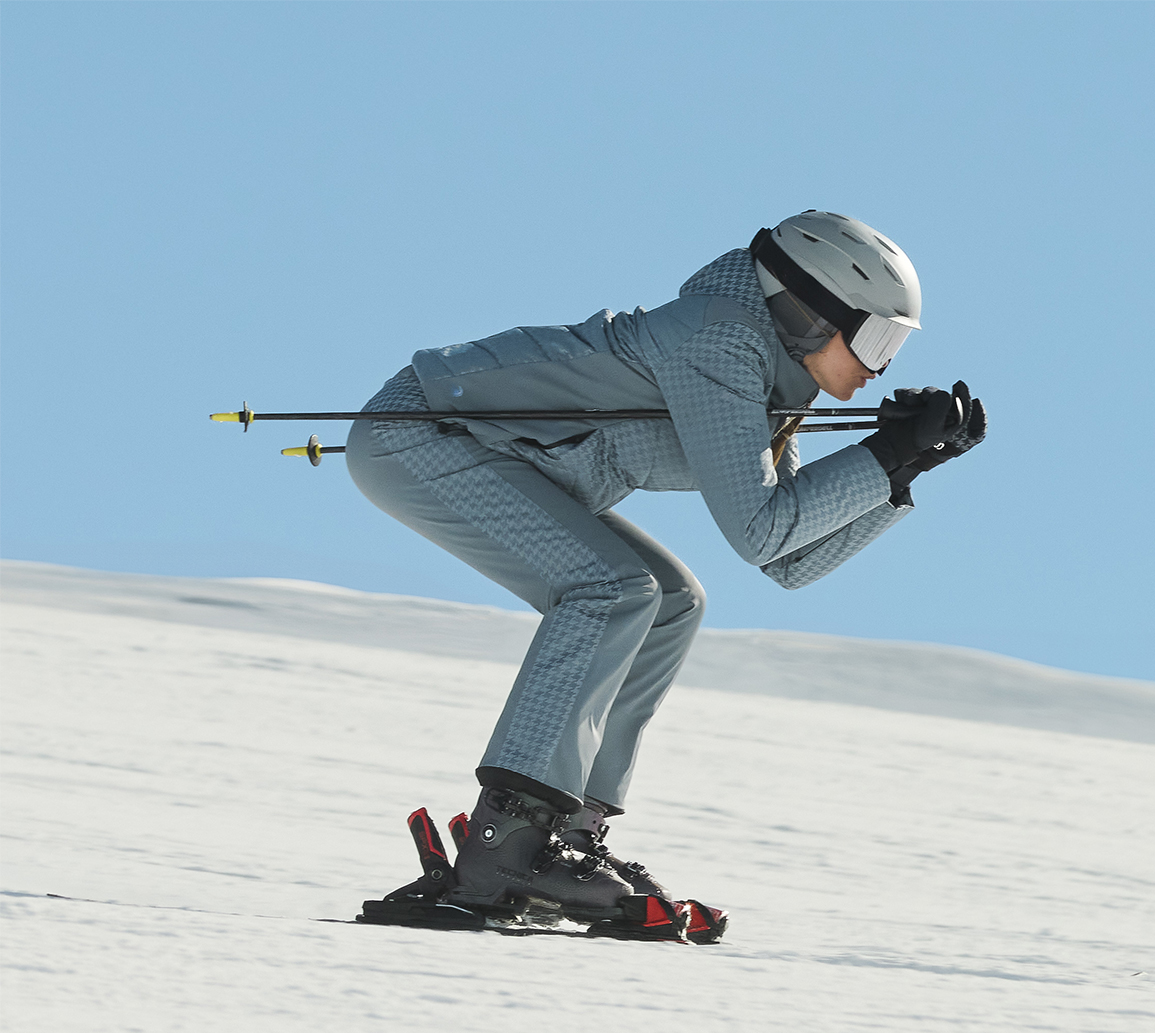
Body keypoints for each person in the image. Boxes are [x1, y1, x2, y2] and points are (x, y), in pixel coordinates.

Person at [346, 210, 986, 936]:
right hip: (423, 432)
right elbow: (763, 529)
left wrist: (905, 467)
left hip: (491, 450)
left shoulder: (779, 378)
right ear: (811, 314)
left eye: (897, 345)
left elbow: (791, 558)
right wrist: (883, 457)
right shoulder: (721, 342)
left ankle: (567, 833)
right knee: (612, 589)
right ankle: (508, 843)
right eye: (876, 337)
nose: (882, 366)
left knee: (673, 601)